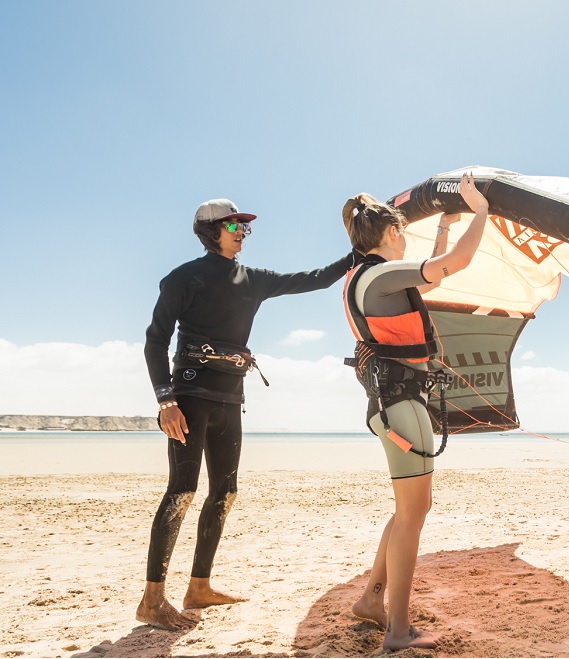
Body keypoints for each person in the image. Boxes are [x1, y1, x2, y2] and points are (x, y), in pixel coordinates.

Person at [138, 198, 357, 631]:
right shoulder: (183, 278)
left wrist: (358, 254)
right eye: (234, 225)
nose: (242, 232)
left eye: (244, 226)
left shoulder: (253, 279)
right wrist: (166, 401)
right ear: (210, 230)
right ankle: (152, 600)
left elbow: (314, 279)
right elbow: (155, 340)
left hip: (229, 398)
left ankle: (199, 587)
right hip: (189, 398)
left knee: (225, 492)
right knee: (181, 492)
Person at [341, 172, 489, 651]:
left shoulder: (368, 276)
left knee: (409, 509)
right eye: (403, 232)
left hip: (394, 404)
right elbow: (456, 264)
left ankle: (371, 600)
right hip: (400, 405)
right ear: (391, 232)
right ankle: (398, 630)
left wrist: (444, 225)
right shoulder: (378, 275)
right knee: (412, 515)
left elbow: (429, 274)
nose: (406, 240)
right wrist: (480, 210)